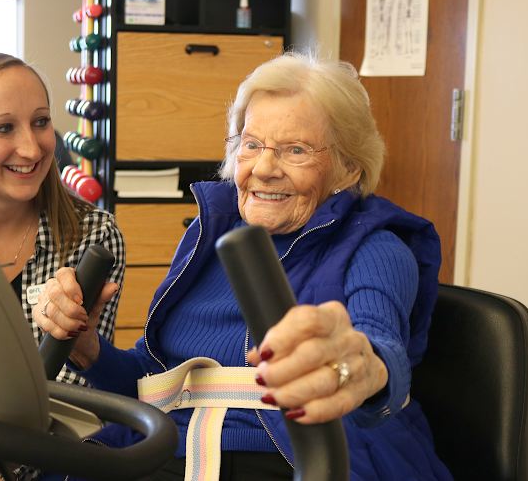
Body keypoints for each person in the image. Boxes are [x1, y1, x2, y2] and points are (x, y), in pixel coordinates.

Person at [36, 48, 453, 481]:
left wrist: (358, 368)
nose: (265, 168)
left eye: (295, 150)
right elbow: (149, 384)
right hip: (169, 457)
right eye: (251, 145)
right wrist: (88, 348)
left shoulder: (375, 248)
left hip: (293, 463)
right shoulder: (207, 238)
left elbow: (380, 349)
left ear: (348, 168)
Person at [0, 52, 125, 481]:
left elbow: (74, 403)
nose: (32, 148)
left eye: (41, 122)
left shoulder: (93, 239)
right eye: (3, 128)